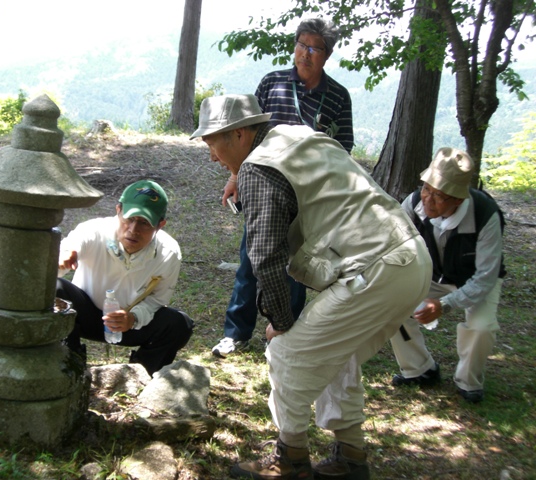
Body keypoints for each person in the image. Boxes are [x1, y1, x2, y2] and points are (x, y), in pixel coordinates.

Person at [191, 94, 432, 480]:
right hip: (411, 257)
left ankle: (290, 460)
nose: (210, 154)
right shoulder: (295, 135)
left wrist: (281, 320)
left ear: (238, 134)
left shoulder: (259, 168)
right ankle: (351, 458)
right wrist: (241, 170)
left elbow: (266, 256)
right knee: (336, 354)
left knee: (286, 351)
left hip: (378, 268)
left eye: (210, 141)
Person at [212, 18, 354, 358]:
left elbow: (343, 147)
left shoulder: (337, 96)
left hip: (307, 193)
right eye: (302, 44)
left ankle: (282, 334)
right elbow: (243, 136)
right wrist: (235, 177)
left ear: (327, 54)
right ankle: (236, 332)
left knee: (295, 264)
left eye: (315, 48)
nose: (306, 53)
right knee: (252, 257)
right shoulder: (272, 82)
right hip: (264, 185)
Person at [389, 148, 506, 403]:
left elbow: (486, 276)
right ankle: (419, 369)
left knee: (481, 327)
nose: (428, 200)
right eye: (426, 189)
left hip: (474, 280)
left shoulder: (486, 215)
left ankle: (468, 381)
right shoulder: (412, 204)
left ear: (458, 199)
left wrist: (444, 304)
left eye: (439, 196)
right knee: (392, 308)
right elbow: (393, 247)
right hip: (431, 276)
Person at [57, 180, 194, 376]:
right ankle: (68, 366)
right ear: (118, 210)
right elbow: (68, 248)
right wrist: (63, 259)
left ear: (160, 225)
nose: (133, 230)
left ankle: (141, 376)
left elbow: (157, 300)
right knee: (56, 288)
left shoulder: (169, 252)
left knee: (179, 324)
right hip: (82, 315)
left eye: (144, 223)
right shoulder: (93, 230)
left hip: (127, 321)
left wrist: (134, 318)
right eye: (129, 219)